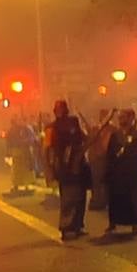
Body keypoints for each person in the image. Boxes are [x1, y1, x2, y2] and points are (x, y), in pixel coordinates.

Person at [45, 100, 90, 240]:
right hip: (64, 166)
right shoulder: (52, 128)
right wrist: (51, 168)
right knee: (68, 197)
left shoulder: (74, 122)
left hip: (77, 163)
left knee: (80, 197)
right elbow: (48, 149)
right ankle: (67, 226)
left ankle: (77, 225)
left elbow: (84, 138)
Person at [105, 109, 137, 235]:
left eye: (124, 117)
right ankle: (113, 223)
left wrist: (131, 153)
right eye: (120, 117)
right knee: (115, 199)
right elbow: (110, 153)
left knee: (133, 199)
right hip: (117, 174)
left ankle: (134, 225)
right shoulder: (115, 135)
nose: (121, 120)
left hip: (132, 173)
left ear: (131, 118)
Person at [5, 116, 37, 195]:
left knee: (23, 169)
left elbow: (31, 139)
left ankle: (24, 185)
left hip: (23, 151)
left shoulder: (26, 129)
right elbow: (9, 141)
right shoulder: (14, 130)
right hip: (19, 151)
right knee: (17, 169)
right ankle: (18, 185)